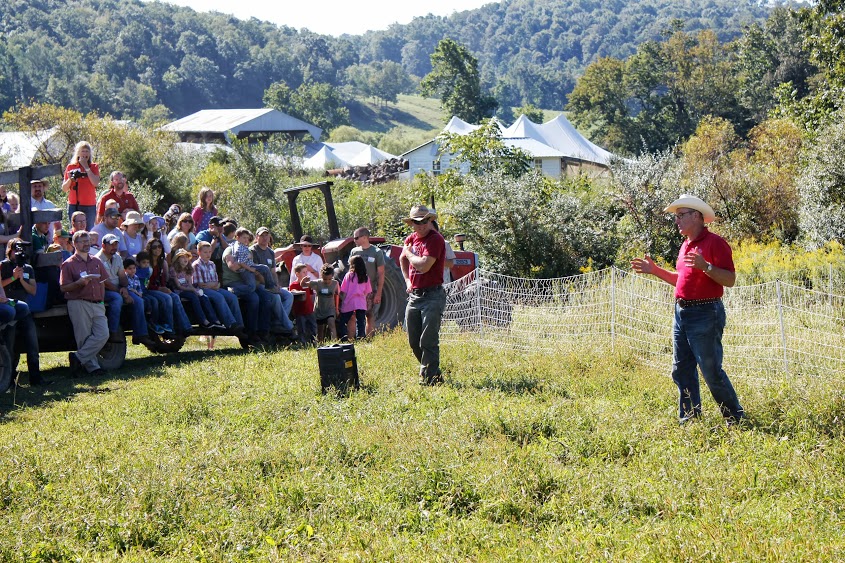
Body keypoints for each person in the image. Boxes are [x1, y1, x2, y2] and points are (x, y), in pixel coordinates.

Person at [631, 194, 745, 425]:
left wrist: (707, 266)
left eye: (681, 215)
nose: (677, 221)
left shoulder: (715, 243)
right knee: (681, 369)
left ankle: (735, 417)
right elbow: (681, 280)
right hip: (681, 313)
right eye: (676, 216)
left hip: (705, 313)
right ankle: (690, 419)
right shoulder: (685, 245)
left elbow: (730, 279)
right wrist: (654, 270)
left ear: (696, 216)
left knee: (710, 371)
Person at [400, 205, 447, 386]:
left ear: (430, 220)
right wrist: (407, 281)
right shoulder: (411, 238)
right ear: (411, 223)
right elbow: (402, 259)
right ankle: (433, 373)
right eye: (417, 222)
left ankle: (430, 380)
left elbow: (424, 265)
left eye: (425, 221)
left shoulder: (435, 239)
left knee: (428, 340)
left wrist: (409, 253)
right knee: (414, 341)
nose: (421, 225)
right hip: (415, 296)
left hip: (432, 295)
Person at [60, 231, 110, 377]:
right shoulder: (68, 264)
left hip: (97, 303)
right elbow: (63, 288)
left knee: (103, 334)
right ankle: (93, 368)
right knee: (84, 337)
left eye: (88, 241)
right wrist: (79, 283)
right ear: (74, 244)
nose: (86, 244)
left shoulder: (96, 261)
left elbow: (104, 282)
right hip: (79, 302)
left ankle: (78, 358)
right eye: (83, 241)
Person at [95, 233, 153, 347]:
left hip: (119, 288)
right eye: (111, 244)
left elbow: (122, 276)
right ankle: (113, 331)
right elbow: (105, 282)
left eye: (116, 244)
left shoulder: (117, 257)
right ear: (103, 245)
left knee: (139, 301)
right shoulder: (98, 259)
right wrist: (121, 291)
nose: (114, 247)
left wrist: (125, 288)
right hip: (105, 290)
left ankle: (140, 334)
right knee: (117, 300)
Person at [0, 239, 42, 385]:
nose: (18, 253)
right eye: (15, 250)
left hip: (24, 311)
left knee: (32, 345)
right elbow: (1, 285)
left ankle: (36, 379)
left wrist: (22, 279)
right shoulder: (3, 265)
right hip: (9, 310)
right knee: (10, 346)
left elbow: (33, 290)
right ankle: (9, 381)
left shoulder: (28, 268)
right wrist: (13, 277)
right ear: (9, 251)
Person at [221, 236, 273, 345]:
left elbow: (251, 268)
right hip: (233, 283)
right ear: (237, 237)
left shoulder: (247, 251)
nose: (245, 241)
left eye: (247, 239)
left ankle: (264, 332)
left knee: (267, 296)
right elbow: (233, 266)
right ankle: (251, 333)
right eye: (243, 238)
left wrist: (256, 273)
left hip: (247, 283)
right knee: (254, 298)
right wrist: (244, 263)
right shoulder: (230, 250)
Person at [193, 241, 244, 333]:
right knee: (219, 297)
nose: (208, 254)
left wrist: (213, 285)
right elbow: (201, 284)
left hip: (214, 288)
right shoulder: (196, 265)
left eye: (209, 252)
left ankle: (239, 324)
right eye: (205, 252)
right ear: (199, 252)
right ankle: (230, 324)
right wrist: (213, 285)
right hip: (202, 290)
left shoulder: (212, 264)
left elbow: (216, 281)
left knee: (232, 297)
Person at [250, 227, 294, 334]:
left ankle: (277, 323)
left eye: (267, 235)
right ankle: (289, 327)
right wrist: (270, 286)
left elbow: (273, 272)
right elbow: (256, 273)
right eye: (262, 236)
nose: (265, 238)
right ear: (257, 237)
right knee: (275, 297)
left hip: (270, 284)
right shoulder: (253, 251)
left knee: (289, 295)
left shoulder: (270, 252)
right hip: (258, 284)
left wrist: (276, 285)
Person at [144, 238, 192, 336]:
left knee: (175, 297)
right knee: (167, 298)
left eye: (159, 247)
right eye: (154, 247)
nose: (157, 249)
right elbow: (146, 284)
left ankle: (186, 327)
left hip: (159, 288)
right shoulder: (147, 263)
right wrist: (160, 289)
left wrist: (163, 288)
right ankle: (168, 327)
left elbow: (163, 280)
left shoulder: (162, 262)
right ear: (150, 249)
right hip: (149, 290)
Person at [349, 227, 384, 337]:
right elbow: (349, 272)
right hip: (355, 289)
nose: (354, 240)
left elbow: (381, 273)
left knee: (370, 314)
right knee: (353, 315)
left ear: (364, 237)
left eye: (356, 238)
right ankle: (352, 340)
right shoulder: (354, 252)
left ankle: (369, 339)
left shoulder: (376, 252)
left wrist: (378, 293)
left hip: (370, 289)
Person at [61, 141, 100, 229]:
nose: (85, 153)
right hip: (74, 204)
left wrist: (86, 167)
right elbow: (64, 188)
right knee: (74, 230)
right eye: (82, 151)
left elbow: (95, 182)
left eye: (87, 151)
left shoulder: (93, 167)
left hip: (89, 204)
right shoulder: (71, 167)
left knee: (89, 229)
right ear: (78, 153)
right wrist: (71, 179)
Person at [135, 250, 173, 335]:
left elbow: (147, 283)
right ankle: (153, 322)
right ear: (138, 263)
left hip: (145, 290)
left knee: (162, 299)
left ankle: (164, 322)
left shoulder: (149, 270)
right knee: (153, 301)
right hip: (139, 293)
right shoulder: (136, 271)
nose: (146, 264)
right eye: (144, 262)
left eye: (148, 262)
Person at [339, 255, 371, 342]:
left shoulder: (349, 276)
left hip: (349, 302)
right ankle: (361, 338)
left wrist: (342, 302)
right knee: (361, 322)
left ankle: (344, 338)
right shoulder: (365, 277)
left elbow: (344, 291)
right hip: (361, 303)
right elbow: (367, 292)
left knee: (343, 321)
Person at [311, 263, 339, 342]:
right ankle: (320, 344)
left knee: (331, 323)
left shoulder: (335, 283)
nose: (327, 281)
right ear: (321, 276)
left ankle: (335, 342)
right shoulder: (317, 283)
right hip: (319, 309)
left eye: (329, 279)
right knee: (320, 330)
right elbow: (303, 284)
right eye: (325, 279)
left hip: (330, 308)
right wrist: (304, 280)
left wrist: (337, 309)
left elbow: (337, 295)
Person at [289, 263, 316, 344]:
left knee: (313, 327)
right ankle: (303, 343)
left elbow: (311, 295)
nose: (306, 274)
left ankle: (314, 342)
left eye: (306, 272)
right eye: (304, 272)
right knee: (302, 328)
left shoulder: (308, 284)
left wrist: (313, 306)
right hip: (300, 311)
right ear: (297, 274)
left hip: (309, 309)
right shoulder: (293, 285)